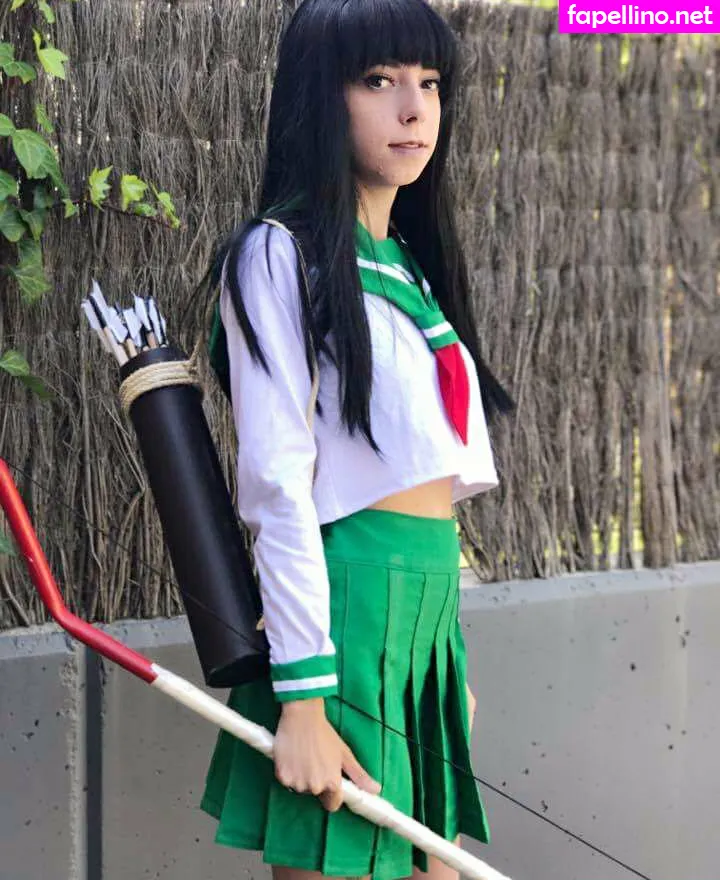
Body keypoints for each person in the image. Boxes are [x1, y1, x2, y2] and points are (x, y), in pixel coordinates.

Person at [198, 1, 515, 879]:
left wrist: (443, 661)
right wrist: (302, 699)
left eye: (429, 83)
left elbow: (426, 487)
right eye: (379, 81)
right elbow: (277, 480)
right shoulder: (277, 253)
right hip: (340, 617)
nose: (414, 110)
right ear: (319, 97)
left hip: (423, 620)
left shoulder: (408, 264)